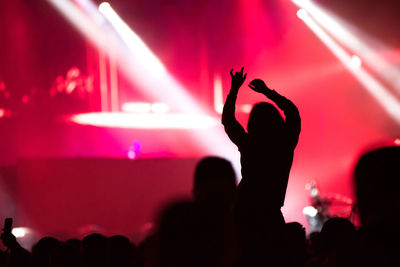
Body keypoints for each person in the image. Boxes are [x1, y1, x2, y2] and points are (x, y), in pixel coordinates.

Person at [222, 67, 301, 266]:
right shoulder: (285, 144)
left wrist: (234, 90)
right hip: (270, 213)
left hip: (244, 211)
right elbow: (292, 112)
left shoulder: (249, 143)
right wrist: (267, 92)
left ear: (252, 124)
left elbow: (228, 121)